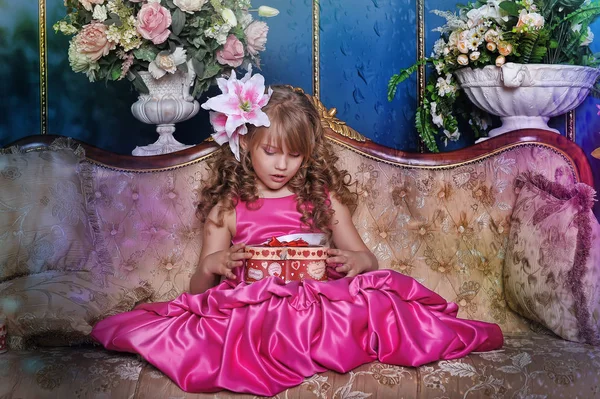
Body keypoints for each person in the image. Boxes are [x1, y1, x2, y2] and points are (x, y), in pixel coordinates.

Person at [91, 69, 503, 397]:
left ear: (307, 155)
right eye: (271, 151)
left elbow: (366, 259)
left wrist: (355, 261)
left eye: (294, 154)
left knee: (378, 296)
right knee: (232, 322)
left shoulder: (322, 199)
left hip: (316, 302)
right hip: (252, 306)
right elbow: (199, 291)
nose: (281, 164)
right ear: (247, 143)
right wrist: (214, 263)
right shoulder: (227, 206)